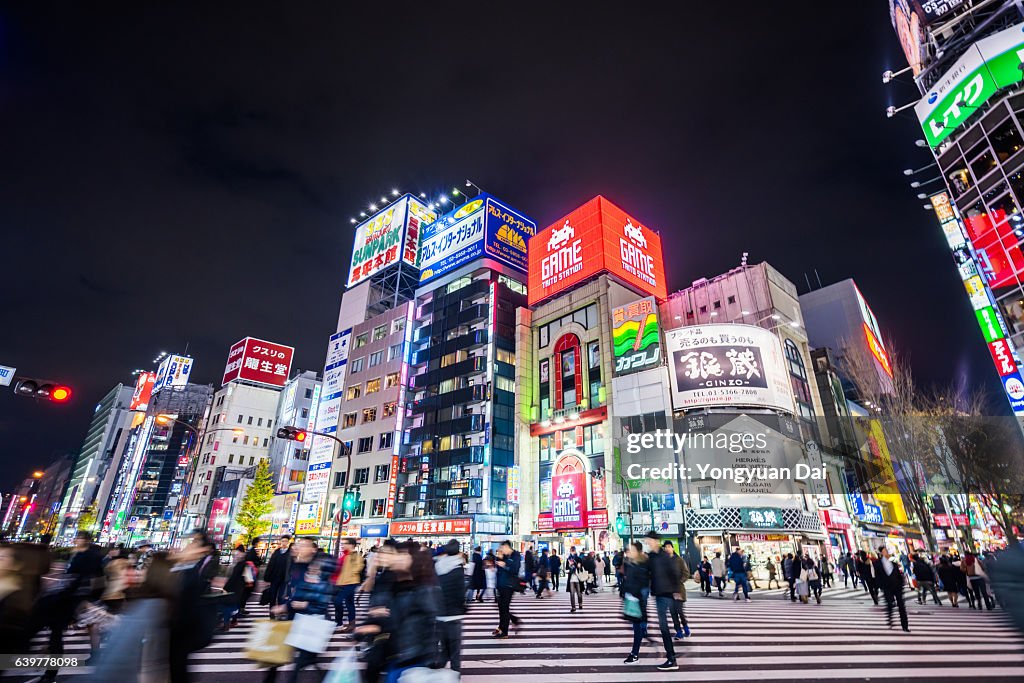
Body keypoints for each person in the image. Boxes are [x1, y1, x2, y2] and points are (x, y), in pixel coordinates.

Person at [93, 552, 177, 680]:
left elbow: (116, 660)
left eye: (144, 567)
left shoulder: (150, 606)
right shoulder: (165, 604)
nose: (139, 571)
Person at [266, 542, 335, 683]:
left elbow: (320, 597)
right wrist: (287, 605)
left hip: (312, 620)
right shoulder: (297, 565)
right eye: (297, 545)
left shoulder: (319, 567)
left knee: (301, 661)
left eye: (303, 545)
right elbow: (296, 591)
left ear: (313, 549)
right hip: (296, 617)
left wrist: (300, 604)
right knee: (282, 655)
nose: (297, 548)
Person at [645, 531, 681, 671]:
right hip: (659, 594)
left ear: (655, 541)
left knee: (664, 626)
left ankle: (672, 659)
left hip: (667, 594)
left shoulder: (663, 556)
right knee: (664, 626)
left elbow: (674, 573)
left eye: (649, 540)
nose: (647, 542)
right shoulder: (652, 557)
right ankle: (671, 657)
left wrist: (676, 590)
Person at [434, 539, 466, 673]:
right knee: (454, 652)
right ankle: (455, 675)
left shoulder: (437, 566)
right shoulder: (458, 569)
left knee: (444, 650)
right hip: (454, 616)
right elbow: (460, 592)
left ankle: (434, 674)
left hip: (440, 614)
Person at [621, 541, 653, 663]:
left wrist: (635, 595)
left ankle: (634, 654)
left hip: (638, 599)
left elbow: (643, 583)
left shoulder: (643, 564)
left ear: (638, 551)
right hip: (632, 598)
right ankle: (643, 628)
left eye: (632, 550)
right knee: (637, 626)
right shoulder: (631, 563)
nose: (630, 552)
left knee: (637, 627)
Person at [874, 546, 909, 632]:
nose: (887, 553)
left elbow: (899, 575)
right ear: (881, 553)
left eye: (887, 551)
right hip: (887, 588)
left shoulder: (893, 563)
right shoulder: (877, 564)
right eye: (885, 551)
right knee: (890, 604)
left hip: (897, 588)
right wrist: (880, 587)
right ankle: (890, 618)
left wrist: (902, 585)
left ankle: (905, 626)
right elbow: (877, 577)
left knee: (901, 606)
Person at [333, 538, 363, 632]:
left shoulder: (355, 556)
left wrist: (349, 576)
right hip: (343, 582)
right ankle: (351, 624)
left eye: (345, 543)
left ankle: (339, 623)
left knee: (338, 601)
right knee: (349, 603)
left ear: (351, 545)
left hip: (351, 583)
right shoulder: (346, 555)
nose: (343, 545)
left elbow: (358, 567)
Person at [493, 540, 521, 638]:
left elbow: (515, 570)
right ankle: (507, 623)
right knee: (501, 607)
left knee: (504, 608)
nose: (501, 550)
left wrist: (505, 564)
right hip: (501, 585)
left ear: (507, 547)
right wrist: (499, 559)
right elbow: (499, 570)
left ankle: (504, 632)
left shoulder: (516, 555)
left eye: (502, 548)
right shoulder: (503, 556)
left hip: (509, 586)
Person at [663, 540, 691, 639]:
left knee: (679, 611)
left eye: (669, 547)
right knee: (673, 612)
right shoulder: (664, 562)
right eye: (665, 547)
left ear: (672, 548)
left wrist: (679, 582)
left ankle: (685, 626)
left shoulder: (679, 560)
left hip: (679, 590)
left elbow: (686, 573)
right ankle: (678, 631)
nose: (667, 549)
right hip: (668, 591)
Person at [220, 545, 250, 631]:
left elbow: (234, 578)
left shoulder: (242, 564)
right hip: (238, 589)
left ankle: (226, 624)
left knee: (227, 606)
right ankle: (234, 621)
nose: (236, 555)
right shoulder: (242, 564)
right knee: (234, 606)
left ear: (243, 554)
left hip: (234, 589)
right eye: (236, 553)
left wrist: (225, 588)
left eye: (238, 553)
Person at [262, 535, 291, 608]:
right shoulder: (276, 552)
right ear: (280, 542)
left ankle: (279, 611)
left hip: (284, 578)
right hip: (274, 577)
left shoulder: (290, 553)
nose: (284, 543)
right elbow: (270, 565)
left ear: (288, 542)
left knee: (281, 596)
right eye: (283, 541)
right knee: (273, 595)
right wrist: (267, 576)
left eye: (286, 541)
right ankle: (272, 612)